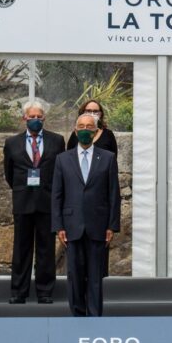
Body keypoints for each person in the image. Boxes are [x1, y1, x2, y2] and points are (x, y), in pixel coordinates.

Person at [52, 113, 121, 317]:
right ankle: (77, 314)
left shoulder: (108, 158)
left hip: (98, 225)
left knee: (95, 275)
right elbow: (57, 195)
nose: (85, 130)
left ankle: (94, 315)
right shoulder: (62, 159)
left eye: (89, 127)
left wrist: (112, 225)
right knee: (74, 274)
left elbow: (113, 194)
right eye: (81, 126)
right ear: (75, 130)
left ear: (96, 131)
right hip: (71, 225)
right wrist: (58, 226)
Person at [3, 101, 64, 305]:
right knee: (21, 248)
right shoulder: (12, 143)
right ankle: (18, 291)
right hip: (22, 201)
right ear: (24, 118)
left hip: (47, 201)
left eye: (39, 116)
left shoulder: (57, 141)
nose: (35, 120)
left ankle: (45, 291)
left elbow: (59, 171)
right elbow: (9, 173)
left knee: (46, 248)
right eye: (32, 117)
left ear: (44, 118)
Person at [66, 99, 119, 278]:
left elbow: (112, 176)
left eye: (96, 111)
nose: (92, 113)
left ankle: (96, 302)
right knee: (77, 267)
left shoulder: (108, 136)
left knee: (98, 268)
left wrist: (112, 221)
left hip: (98, 210)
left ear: (101, 114)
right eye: (88, 110)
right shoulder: (76, 136)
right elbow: (68, 164)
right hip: (77, 212)